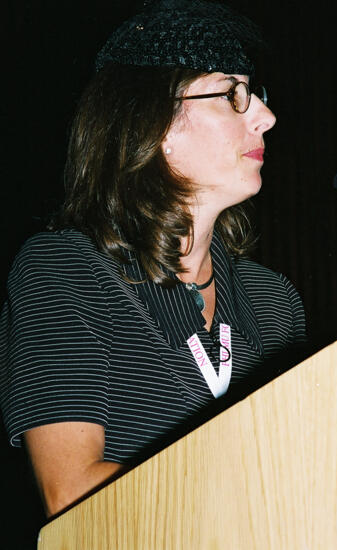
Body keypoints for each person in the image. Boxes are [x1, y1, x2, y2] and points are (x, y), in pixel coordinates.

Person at [0, 0, 306, 518]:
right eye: (234, 93)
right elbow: (72, 492)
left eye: (256, 94)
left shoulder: (275, 301)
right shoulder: (64, 270)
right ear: (153, 123)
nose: (266, 117)